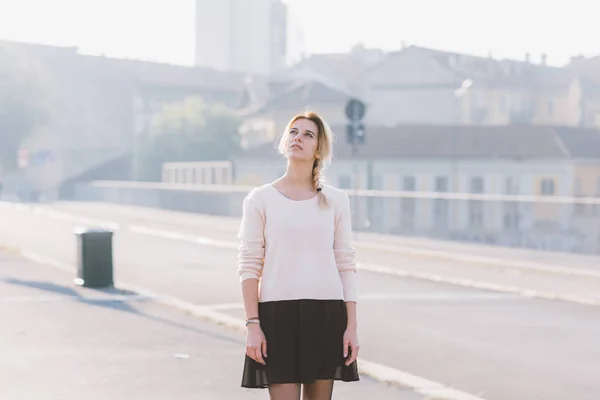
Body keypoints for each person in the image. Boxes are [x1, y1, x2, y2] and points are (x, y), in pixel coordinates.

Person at [237, 111, 360, 400]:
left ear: (319, 149)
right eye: (293, 132)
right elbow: (249, 265)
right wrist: (252, 325)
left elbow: (346, 263)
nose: (298, 138)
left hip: (326, 314)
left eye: (308, 135)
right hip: (276, 316)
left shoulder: (336, 200)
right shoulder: (260, 199)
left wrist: (352, 327)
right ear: (284, 142)